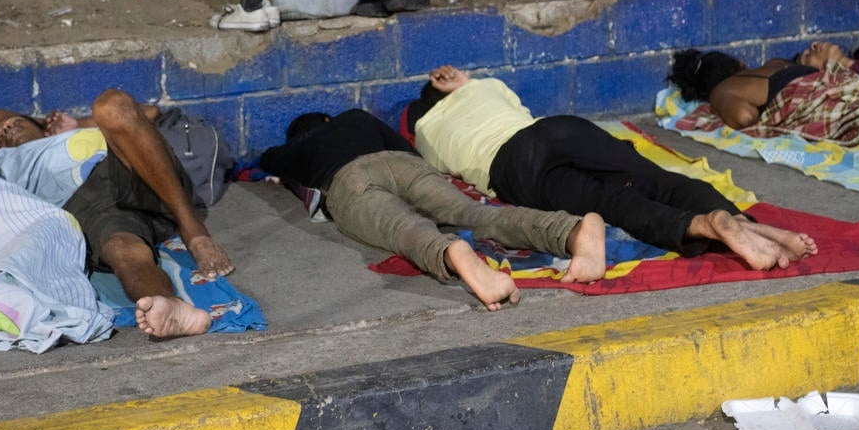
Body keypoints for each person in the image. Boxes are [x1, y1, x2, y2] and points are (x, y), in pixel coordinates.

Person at [408, 66, 816, 271]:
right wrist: (465, 83)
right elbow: (497, 99)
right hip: (557, 129)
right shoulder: (486, 88)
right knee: (655, 178)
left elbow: (444, 175)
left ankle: (707, 227)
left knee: (613, 203)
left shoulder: (425, 133)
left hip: (514, 164)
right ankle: (750, 224)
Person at [258, 109, 607, 310]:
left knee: (403, 229)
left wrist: (293, 153)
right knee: (477, 213)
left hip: (349, 180)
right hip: (404, 164)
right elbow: (403, 147)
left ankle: (451, 250)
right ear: (328, 118)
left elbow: (270, 159)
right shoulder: (356, 118)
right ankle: (573, 230)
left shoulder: (302, 147)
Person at [0, 89, 233, 339]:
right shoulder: (4, 161)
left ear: (39, 127)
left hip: (136, 169)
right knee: (121, 249)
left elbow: (149, 112)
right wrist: (28, 123)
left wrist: (69, 124)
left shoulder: (73, 131)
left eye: (15, 123)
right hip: (85, 201)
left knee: (110, 105)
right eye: (1, 135)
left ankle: (192, 229)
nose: (7, 131)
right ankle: (168, 305)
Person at [668, 48, 859, 158]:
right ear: (737, 62)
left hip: (834, 103)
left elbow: (744, 118)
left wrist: (720, 108)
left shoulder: (722, 90)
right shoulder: (776, 62)